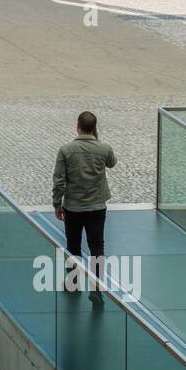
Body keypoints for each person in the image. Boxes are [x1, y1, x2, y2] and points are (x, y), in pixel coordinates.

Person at [52, 111, 117, 306]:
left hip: (73, 207)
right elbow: (112, 163)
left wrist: (57, 204)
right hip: (97, 207)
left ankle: (73, 282)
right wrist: (97, 141)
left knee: (73, 245)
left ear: (77, 126)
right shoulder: (104, 148)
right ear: (95, 129)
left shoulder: (66, 150)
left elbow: (59, 181)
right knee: (97, 246)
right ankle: (96, 288)